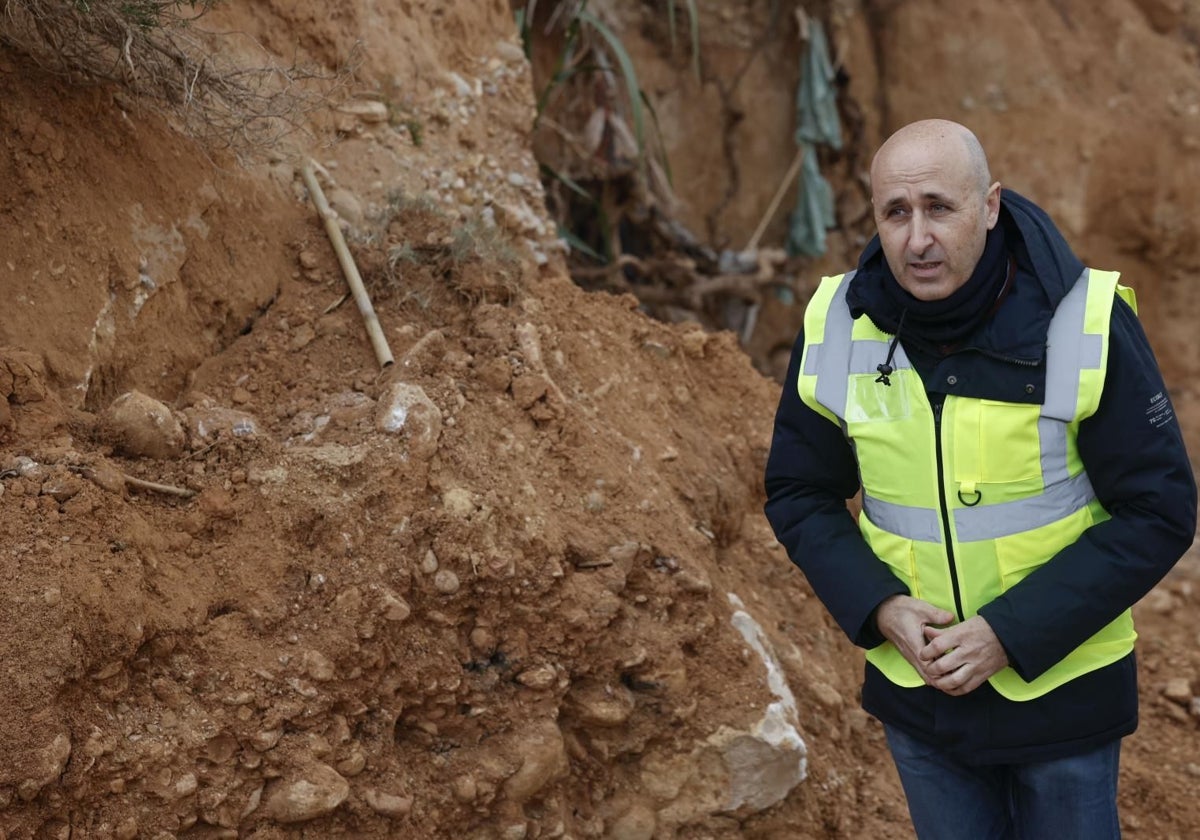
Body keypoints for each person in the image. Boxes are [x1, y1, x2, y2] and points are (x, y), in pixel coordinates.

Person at [764, 118, 1197, 839]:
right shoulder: (838, 327)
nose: (916, 238)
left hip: (1063, 699)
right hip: (923, 704)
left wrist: (1009, 632)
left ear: (989, 207)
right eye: (895, 213)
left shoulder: (1083, 322)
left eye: (940, 207)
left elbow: (1159, 510)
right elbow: (799, 491)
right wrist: (880, 608)